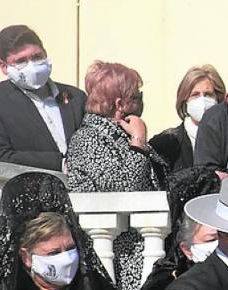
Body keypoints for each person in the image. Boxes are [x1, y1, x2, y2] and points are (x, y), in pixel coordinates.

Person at [0, 25, 86, 171]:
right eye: (21, 61)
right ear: (3, 66)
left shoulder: (75, 97)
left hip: (83, 191)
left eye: (37, 57)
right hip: (27, 189)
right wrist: (59, 163)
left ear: (45, 53)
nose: (32, 66)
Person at [127, 167, 222, 290]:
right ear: (187, 249)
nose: (219, 246)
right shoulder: (166, 278)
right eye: (212, 239)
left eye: (224, 238)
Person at [65, 61, 166, 193]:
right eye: (136, 97)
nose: (141, 102)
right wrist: (138, 140)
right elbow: (124, 188)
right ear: (120, 104)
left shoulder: (122, 133)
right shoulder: (87, 139)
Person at [149, 65, 226, 174]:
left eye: (208, 94)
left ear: (218, 98)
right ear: (185, 100)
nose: (202, 100)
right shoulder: (165, 143)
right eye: (195, 95)